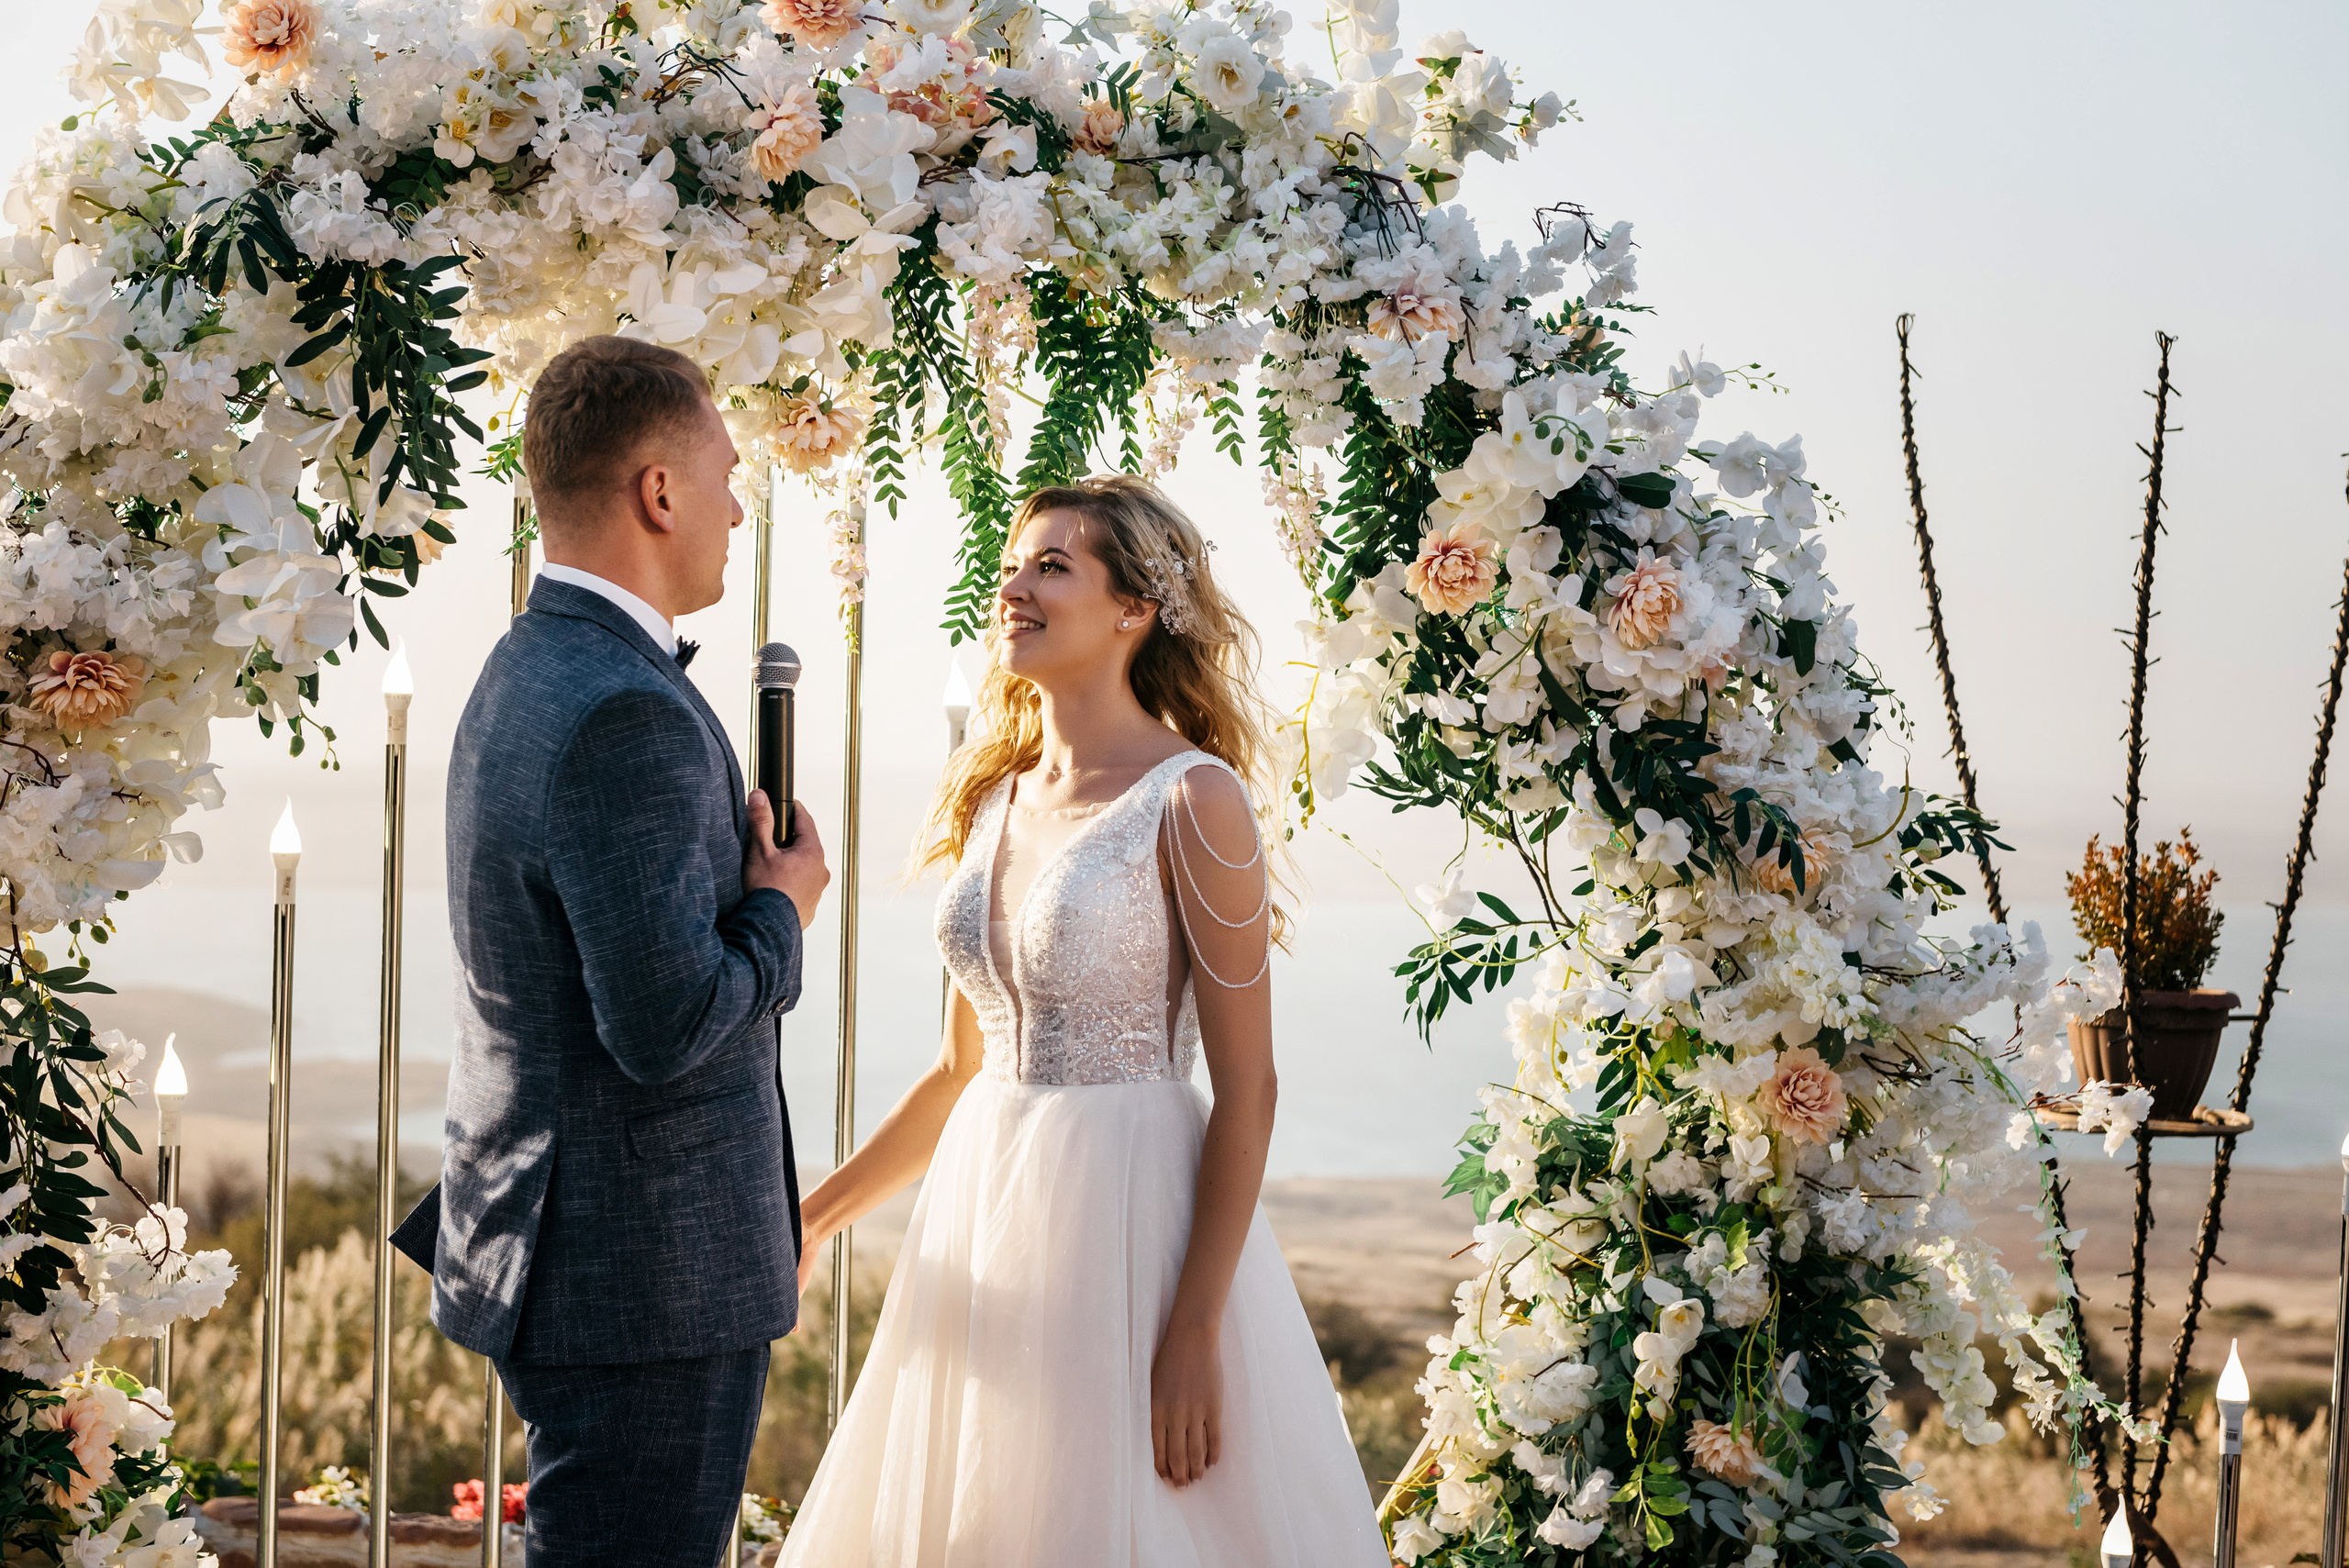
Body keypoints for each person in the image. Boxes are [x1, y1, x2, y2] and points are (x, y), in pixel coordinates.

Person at [782, 476, 1387, 1565]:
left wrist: (1196, 1325)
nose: (1013, 584)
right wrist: (814, 1217)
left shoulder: (1194, 798)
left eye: (1052, 565)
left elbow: (1250, 1088)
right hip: (984, 1225)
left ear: (1135, 609)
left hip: (1132, 1235)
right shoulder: (991, 797)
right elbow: (961, 1068)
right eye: (1014, 563)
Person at [391, 336, 829, 1567]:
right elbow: (669, 1025)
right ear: (658, 491)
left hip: (567, 1235)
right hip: (643, 1270)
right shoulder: (625, 706)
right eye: (727, 474)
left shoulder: (527, 664)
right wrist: (784, 907)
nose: (739, 508)